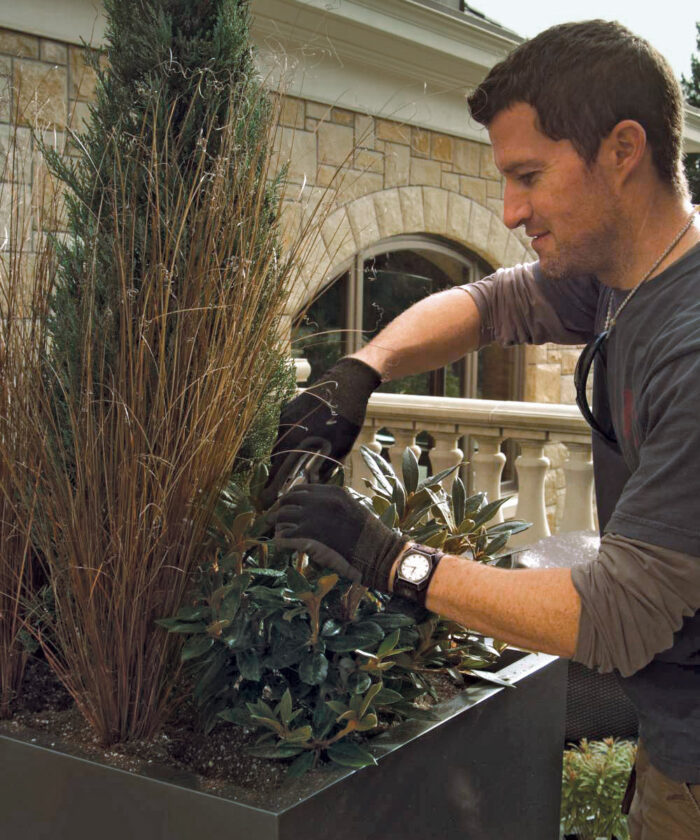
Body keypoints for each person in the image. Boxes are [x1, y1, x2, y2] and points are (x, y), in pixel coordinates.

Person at [269, 20, 700, 839]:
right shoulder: (629, 274)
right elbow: (490, 304)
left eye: (529, 176)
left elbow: (615, 618)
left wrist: (391, 559)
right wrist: (361, 369)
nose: (510, 211)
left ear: (623, 149)